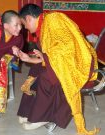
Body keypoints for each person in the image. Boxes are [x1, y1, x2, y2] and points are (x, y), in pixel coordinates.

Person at [17, 4, 99, 135]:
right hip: (64, 61)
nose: (26, 28)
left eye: (24, 24)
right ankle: (29, 112)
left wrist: (44, 57)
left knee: (46, 76)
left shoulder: (54, 19)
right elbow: (49, 57)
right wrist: (29, 59)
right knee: (35, 71)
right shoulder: (44, 26)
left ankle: (43, 117)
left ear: (28, 18)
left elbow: (66, 47)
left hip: (79, 63)